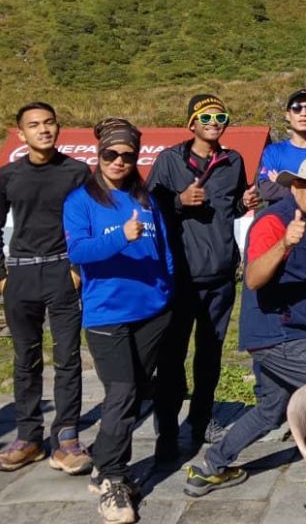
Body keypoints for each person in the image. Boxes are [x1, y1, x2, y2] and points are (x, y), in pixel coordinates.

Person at [184, 157, 306, 498]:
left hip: (292, 330)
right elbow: (254, 278)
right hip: (278, 333)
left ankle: (209, 468)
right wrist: (285, 244)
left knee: (270, 410)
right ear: (296, 186)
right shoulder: (274, 222)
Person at [64, 119, 173, 524]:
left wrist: (169, 289)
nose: (119, 161)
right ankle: (112, 478)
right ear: (99, 155)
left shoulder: (145, 198)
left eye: (127, 155)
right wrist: (120, 237)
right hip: (107, 313)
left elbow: (164, 248)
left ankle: (103, 462)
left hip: (153, 310)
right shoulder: (80, 201)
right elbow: (78, 252)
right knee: (123, 392)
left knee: (133, 391)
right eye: (111, 154)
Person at [147, 94, 260, 458]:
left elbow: (236, 202)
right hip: (180, 277)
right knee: (172, 356)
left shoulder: (233, 161)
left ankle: (200, 420)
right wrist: (179, 202)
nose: (215, 121)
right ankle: (166, 428)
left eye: (221, 116)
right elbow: (149, 207)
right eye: (207, 116)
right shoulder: (169, 161)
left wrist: (248, 203)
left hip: (221, 276)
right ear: (191, 124)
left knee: (210, 355)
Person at [0, 101, 91, 474]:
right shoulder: (8, 175)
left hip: (63, 273)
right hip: (21, 276)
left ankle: (67, 438)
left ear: (57, 128)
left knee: (68, 358)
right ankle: (28, 438)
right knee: (25, 360)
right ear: (22, 133)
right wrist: (1, 276)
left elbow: (88, 222)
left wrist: (77, 269)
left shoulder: (77, 172)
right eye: (34, 125)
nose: (43, 129)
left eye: (49, 123)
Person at [256, 88, 306, 202]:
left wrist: (284, 184)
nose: (303, 113)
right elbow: (267, 191)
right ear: (288, 115)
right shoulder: (273, 151)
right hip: (283, 218)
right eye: (296, 108)